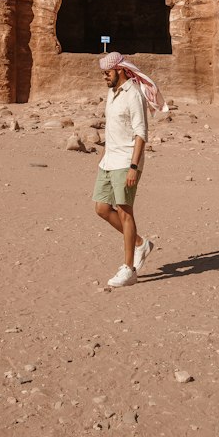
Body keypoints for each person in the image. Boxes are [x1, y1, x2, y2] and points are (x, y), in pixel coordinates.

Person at [92, 50, 167, 287]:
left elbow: (141, 133)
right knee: (102, 208)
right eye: (104, 73)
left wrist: (134, 166)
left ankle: (129, 269)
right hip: (109, 160)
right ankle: (139, 244)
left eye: (108, 72)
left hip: (126, 161)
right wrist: (104, 154)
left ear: (121, 70)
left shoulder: (133, 94)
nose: (105, 76)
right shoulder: (112, 93)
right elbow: (113, 127)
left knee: (125, 212)